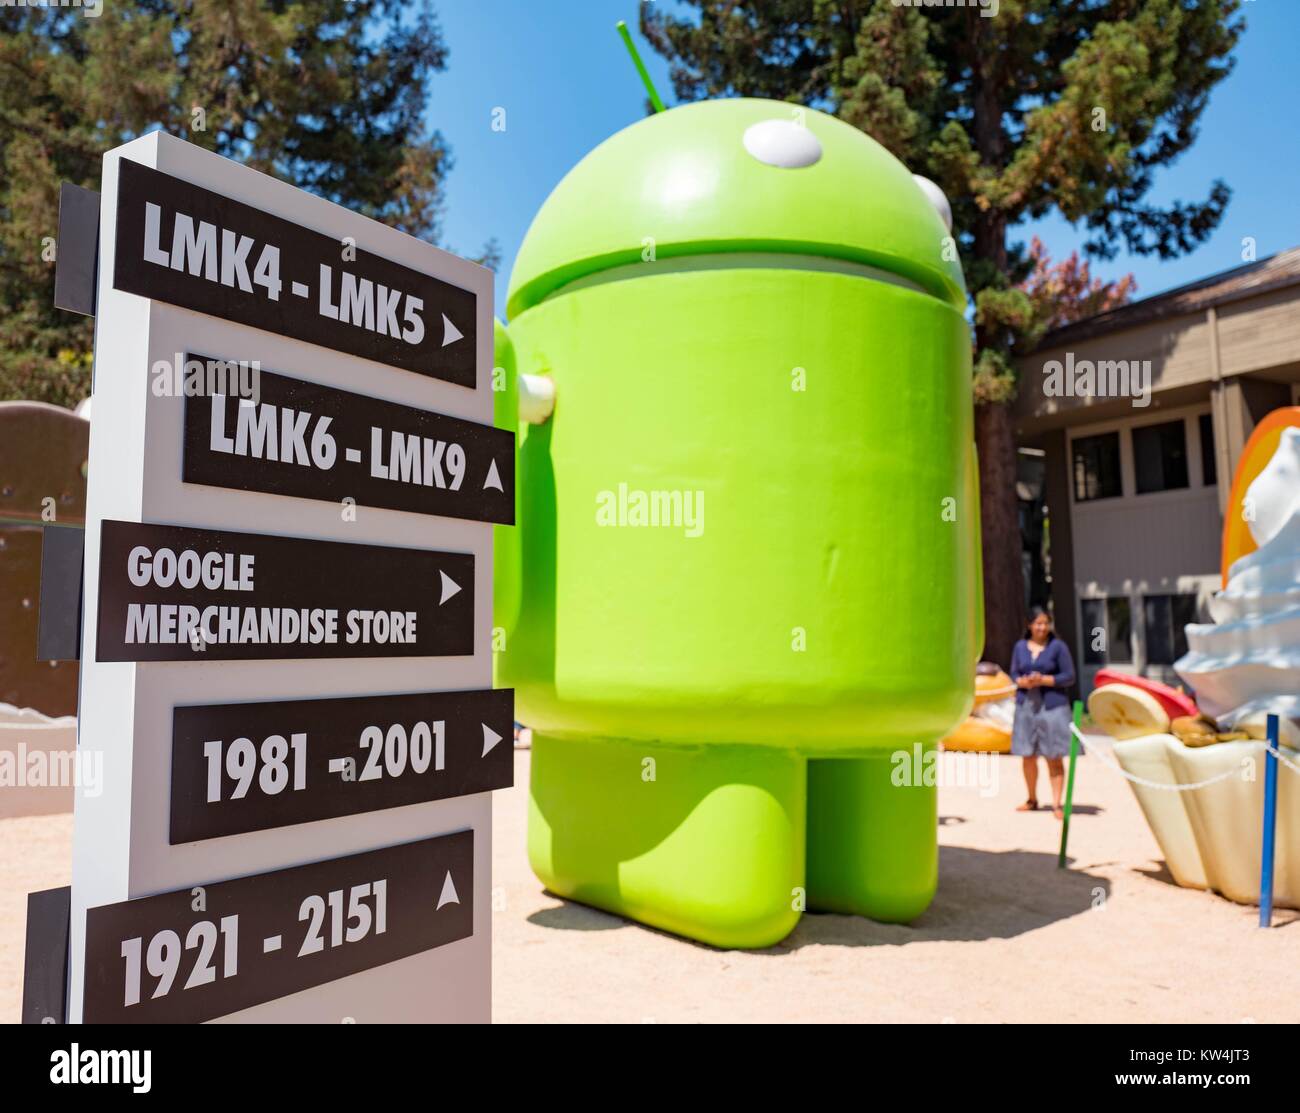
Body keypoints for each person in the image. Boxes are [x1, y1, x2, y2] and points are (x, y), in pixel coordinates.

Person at [1010, 607, 1076, 819]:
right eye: (1038, 623)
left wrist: (1045, 680)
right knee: (1028, 755)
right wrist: (1022, 681)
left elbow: (1069, 676)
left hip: (1052, 706)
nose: (1042, 627)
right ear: (1029, 625)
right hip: (1026, 705)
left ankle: (1057, 803)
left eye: (1045, 623)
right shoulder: (1020, 647)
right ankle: (1032, 798)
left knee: (1053, 755)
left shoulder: (1058, 647)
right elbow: (1013, 673)